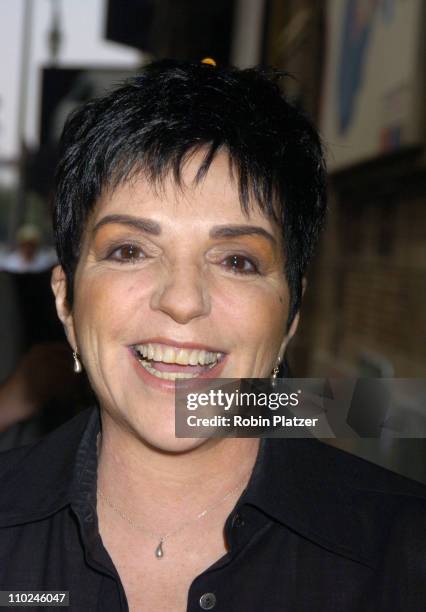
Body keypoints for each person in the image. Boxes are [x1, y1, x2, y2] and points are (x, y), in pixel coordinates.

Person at [0, 59, 425, 612]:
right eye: (129, 251)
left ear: (291, 313)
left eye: (237, 261)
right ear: (66, 301)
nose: (182, 300)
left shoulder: (404, 558)